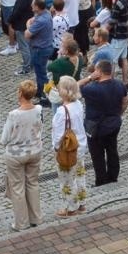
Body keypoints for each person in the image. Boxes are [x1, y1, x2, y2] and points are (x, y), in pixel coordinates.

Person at [0, 79, 47, 231]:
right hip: (35, 151)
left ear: (20, 93)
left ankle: (21, 222)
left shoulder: (14, 115)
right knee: (32, 183)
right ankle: (36, 218)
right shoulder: (39, 109)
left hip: (16, 155)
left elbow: (5, 138)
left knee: (17, 187)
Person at [80, 57, 128, 186]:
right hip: (114, 124)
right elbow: (125, 102)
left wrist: (90, 78)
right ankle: (113, 177)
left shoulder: (91, 89)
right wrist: (118, 114)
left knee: (97, 155)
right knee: (112, 151)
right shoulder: (119, 84)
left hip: (96, 127)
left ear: (99, 72)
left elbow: (75, 86)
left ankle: (101, 181)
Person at [51, 75, 90, 217]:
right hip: (80, 145)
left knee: (67, 179)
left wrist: (56, 148)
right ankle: (82, 204)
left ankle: (71, 207)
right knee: (80, 175)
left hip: (67, 149)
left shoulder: (62, 111)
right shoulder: (78, 104)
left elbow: (58, 134)